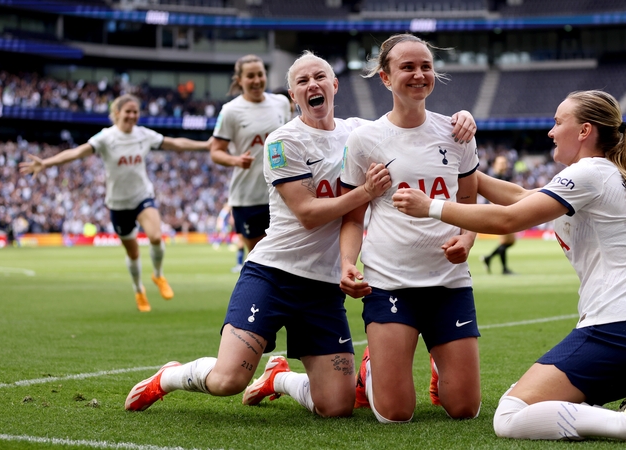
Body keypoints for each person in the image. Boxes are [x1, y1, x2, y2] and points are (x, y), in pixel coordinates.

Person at [124, 51, 477, 418]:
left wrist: (461, 120)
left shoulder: (358, 132)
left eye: (320, 77)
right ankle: (170, 376)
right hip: (275, 274)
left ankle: (280, 378)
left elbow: (407, 128)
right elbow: (308, 213)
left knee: (337, 406)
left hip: (324, 287)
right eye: (303, 81)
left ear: (334, 85)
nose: (313, 85)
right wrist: (365, 192)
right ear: (293, 96)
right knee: (228, 380)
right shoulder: (282, 142)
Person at [392, 90, 626, 446]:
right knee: (529, 402)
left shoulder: (590, 173)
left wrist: (431, 206)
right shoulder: (601, 173)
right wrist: (464, 168)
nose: (551, 132)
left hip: (615, 333)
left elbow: (509, 217)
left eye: (558, 122)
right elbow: (523, 198)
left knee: (508, 416)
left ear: (584, 131)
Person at [339, 33, 482, 423]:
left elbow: (469, 202)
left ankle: (442, 366)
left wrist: (466, 239)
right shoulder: (364, 139)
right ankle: (371, 369)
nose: (419, 74)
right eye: (408, 67)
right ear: (385, 78)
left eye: (426, 66)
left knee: (465, 409)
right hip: (390, 282)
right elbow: (352, 216)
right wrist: (347, 264)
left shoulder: (457, 133)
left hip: (449, 282)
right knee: (394, 414)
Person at [19, 94, 211, 312]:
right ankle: (139, 290)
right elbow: (77, 152)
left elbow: (174, 143)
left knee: (156, 236)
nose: (132, 115)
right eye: (127, 111)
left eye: (135, 111)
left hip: (142, 197)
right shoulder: (106, 138)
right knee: (133, 253)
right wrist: (46, 162)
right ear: (117, 113)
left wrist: (205, 145)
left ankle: (158, 275)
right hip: (118, 204)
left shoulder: (144, 135)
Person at [210, 54, 291, 254]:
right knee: (258, 258)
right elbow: (215, 151)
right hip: (249, 197)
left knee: (286, 258)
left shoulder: (281, 103)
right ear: (239, 80)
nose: (256, 80)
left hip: (283, 193)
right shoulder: (230, 111)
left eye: (260, 74)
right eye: (250, 76)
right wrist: (235, 160)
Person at [480, 154, 516, 275]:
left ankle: (489, 259)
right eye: (501, 163)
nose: (503, 165)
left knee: (507, 242)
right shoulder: (494, 177)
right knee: (507, 241)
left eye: (504, 163)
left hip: (505, 210)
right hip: (498, 211)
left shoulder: (503, 177)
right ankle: (502, 267)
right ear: (494, 164)